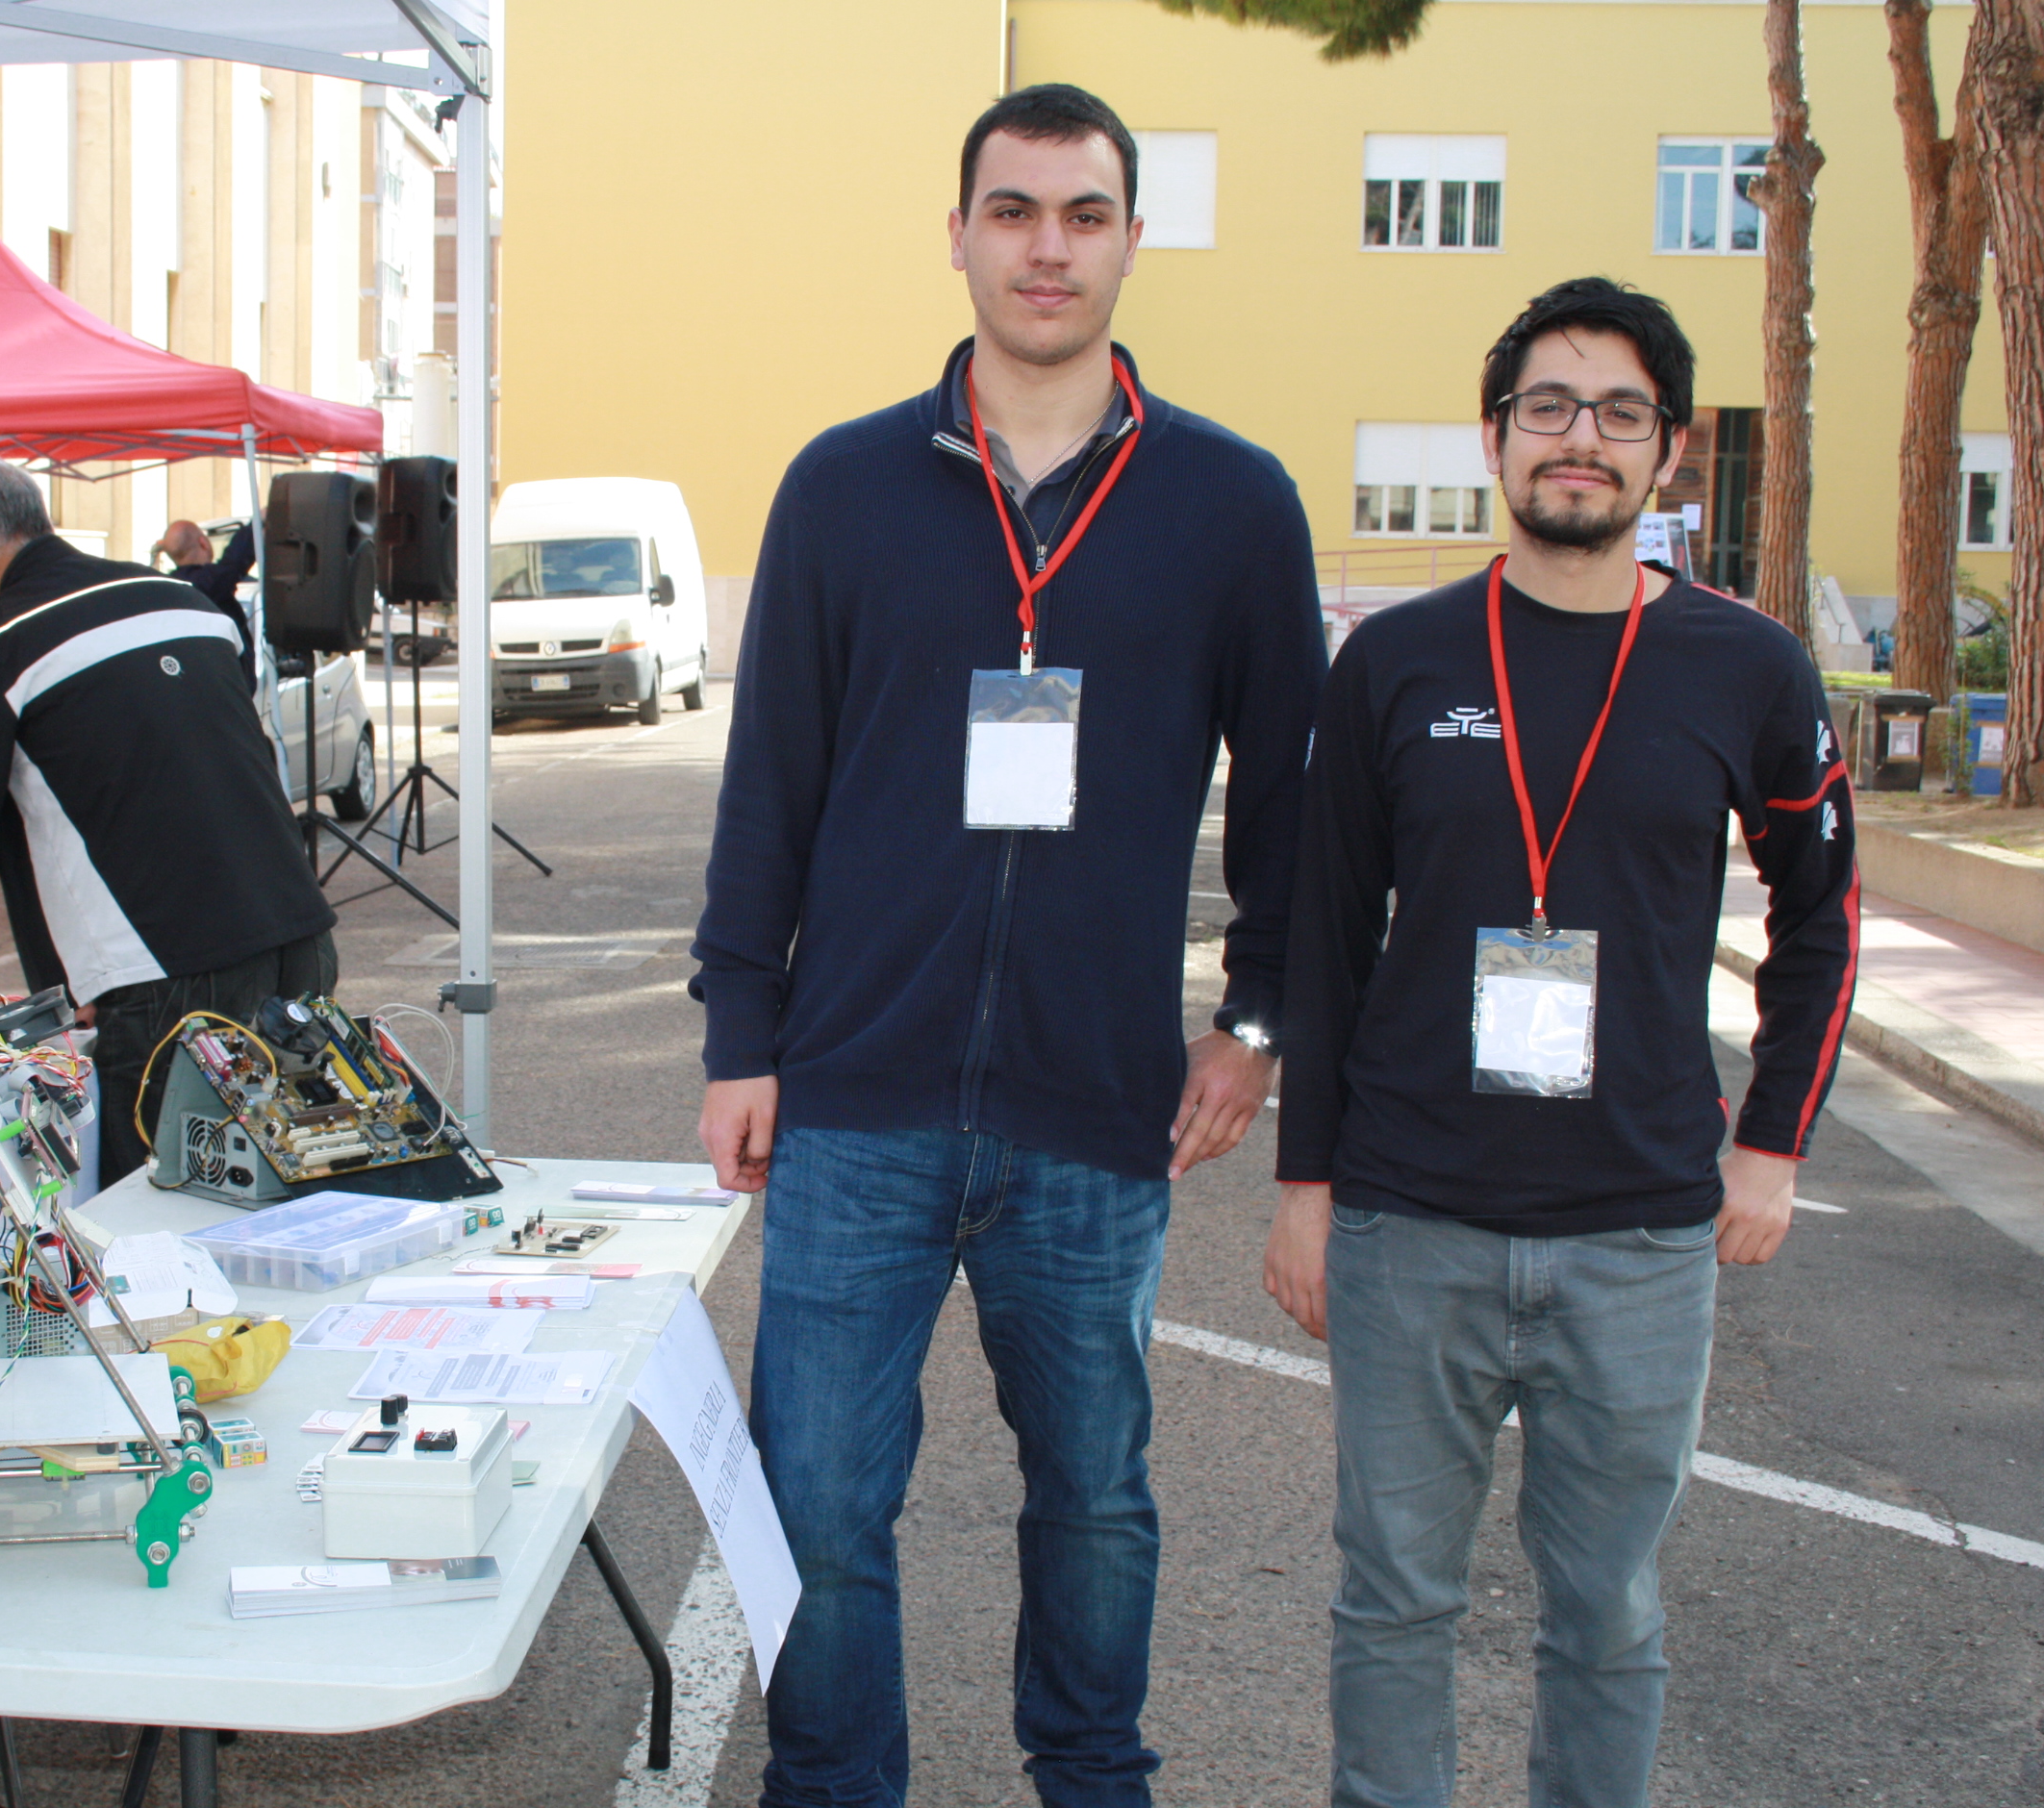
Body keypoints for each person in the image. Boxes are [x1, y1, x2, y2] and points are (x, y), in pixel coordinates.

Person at [691, 85, 1325, 1808]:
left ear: (1131, 240)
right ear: (959, 234)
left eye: (1085, 214)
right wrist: (740, 1036)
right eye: (1016, 210)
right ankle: (836, 1786)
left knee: (1096, 1499)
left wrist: (1259, 1016)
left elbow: (1294, 801)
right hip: (855, 1101)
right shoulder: (841, 488)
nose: (1050, 248)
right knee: (819, 1501)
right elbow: (771, 785)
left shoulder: (1233, 504)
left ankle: (1092, 1778)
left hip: (1096, 1110)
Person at [1266, 277, 1859, 1808]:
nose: (1578, 438)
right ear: (1494, 437)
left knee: (1608, 1619)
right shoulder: (1395, 662)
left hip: (1642, 1232)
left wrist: (1773, 1143)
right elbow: (1326, 937)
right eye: (1547, 406)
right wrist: (1305, 1188)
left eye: (1618, 412)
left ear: (1671, 450)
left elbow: (1823, 914)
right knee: (1394, 1600)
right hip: (1412, 1218)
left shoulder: (1750, 669)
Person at [0, 455, 336, 1185]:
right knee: (284, 1187)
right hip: (300, 934)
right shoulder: (182, 603)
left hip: (168, 974)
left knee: (157, 1215)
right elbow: (231, 763)